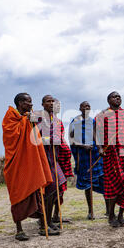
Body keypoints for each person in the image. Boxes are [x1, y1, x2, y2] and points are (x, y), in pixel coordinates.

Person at [2, 93, 53, 241]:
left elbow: (35, 138)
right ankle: (19, 230)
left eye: (31, 102)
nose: (31, 104)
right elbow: (10, 138)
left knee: (38, 193)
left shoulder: (28, 118)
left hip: (31, 163)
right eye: (27, 102)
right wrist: (26, 120)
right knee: (18, 195)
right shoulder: (10, 117)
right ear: (19, 102)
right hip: (17, 164)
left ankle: (43, 226)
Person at [95, 91, 124, 228]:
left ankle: (121, 216)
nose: (118, 98)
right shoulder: (102, 115)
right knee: (113, 185)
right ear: (108, 100)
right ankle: (111, 215)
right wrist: (100, 148)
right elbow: (96, 132)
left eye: (119, 96)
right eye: (114, 96)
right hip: (111, 154)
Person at [35, 95, 73, 235]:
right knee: (47, 191)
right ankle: (43, 224)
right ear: (43, 103)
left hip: (54, 159)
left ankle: (50, 220)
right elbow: (33, 134)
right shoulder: (37, 116)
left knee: (55, 189)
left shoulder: (57, 121)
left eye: (53, 101)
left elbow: (60, 139)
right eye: (48, 101)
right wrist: (48, 139)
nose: (51, 103)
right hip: (42, 158)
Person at [69, 101, 106, 219]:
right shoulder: (75, 121)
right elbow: (71, 139)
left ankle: (108, 210)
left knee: (103, 180)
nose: (87, 108)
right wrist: (82, 146)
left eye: (89, 106)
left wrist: (100, 148)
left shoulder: (92, 121)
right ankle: (90, 212)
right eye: (84, 106)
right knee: (88, 184)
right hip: (84, 156)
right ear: (80, 108)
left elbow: (96, 135)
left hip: (95, 154)